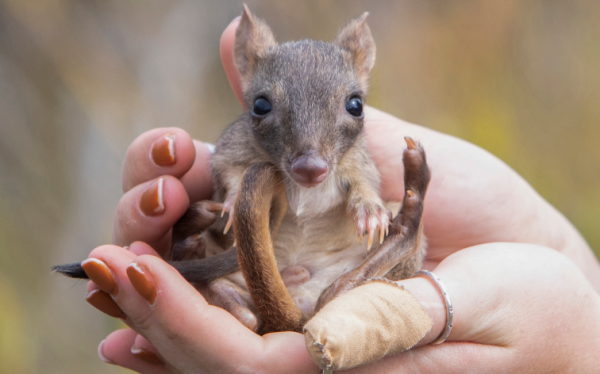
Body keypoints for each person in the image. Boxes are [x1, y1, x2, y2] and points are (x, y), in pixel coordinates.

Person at [81, 17, 600, 373]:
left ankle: (262, 300)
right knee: (198, 240)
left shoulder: (355, 156)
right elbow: (228, 165)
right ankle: (236, 299)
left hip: (339, 271)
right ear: (247, 63)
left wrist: (368, 204)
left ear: (363, 63)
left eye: (351, 108)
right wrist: (237, 195)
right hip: (266, 269)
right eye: (264, 109)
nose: (312, 157)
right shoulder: (245, 146)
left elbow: (365, 185)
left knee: (402, 228)